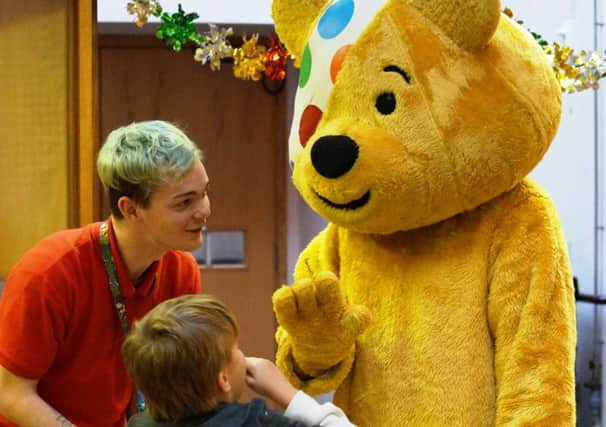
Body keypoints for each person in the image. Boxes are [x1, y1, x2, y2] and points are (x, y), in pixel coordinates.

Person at [0, 120, 210, 427]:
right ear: (130, 209)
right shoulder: (49, 273)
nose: (204, 210)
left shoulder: (181, 271)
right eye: (184, 202)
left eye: (204, 193)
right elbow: (11, 393)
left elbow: (175, 381)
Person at [123, 294, 355, 427]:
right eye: (235, 349)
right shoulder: (251, 422)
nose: (242, 355)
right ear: (223, 379)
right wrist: (287, 393)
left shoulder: (138, 424)